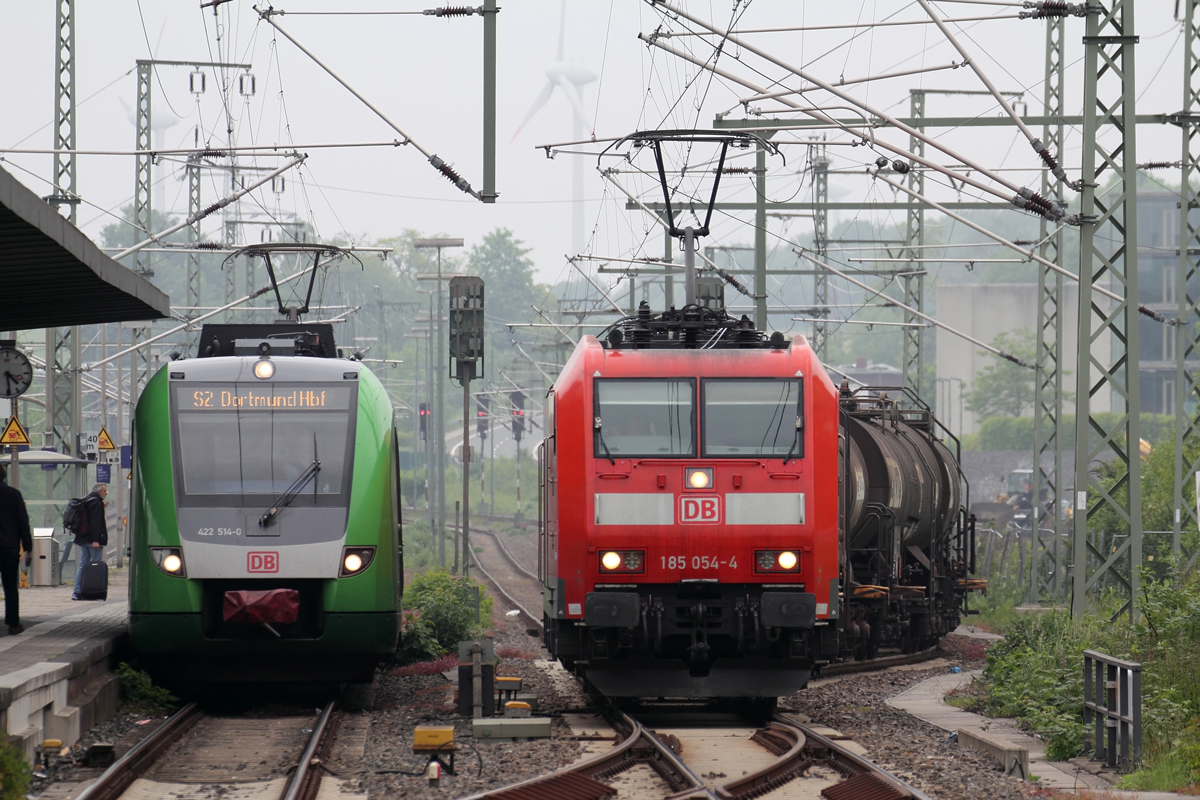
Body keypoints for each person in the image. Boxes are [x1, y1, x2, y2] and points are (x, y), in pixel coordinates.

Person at [0, 463, 33, 635]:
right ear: (4, 476)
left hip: (8, 546)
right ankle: (13, 624)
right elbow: (23, 523)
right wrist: (28, 547)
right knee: (10, 586)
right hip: (9, 548)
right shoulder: (14, 495)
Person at [72, 484, 108, 601]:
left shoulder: (88, 499)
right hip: (92, 540)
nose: (105, 493)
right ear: (99, 492)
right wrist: (96, 540)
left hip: (83, 538)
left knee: (83, 565)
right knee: (95, 565)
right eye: (104, 491)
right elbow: (95, 523)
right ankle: (93, 591)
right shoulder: (96, 503)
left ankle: (77, 591)